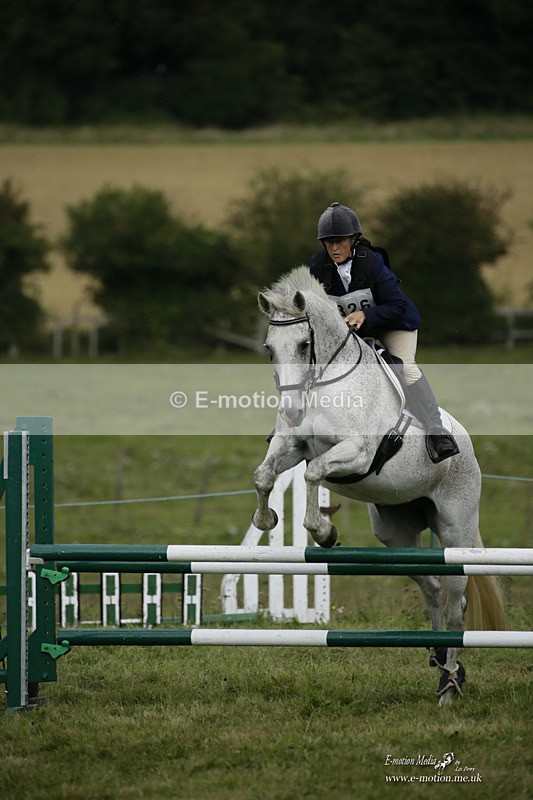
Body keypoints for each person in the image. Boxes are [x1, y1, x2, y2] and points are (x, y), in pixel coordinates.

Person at [309, 202, 459, 463]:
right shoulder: (318, 266)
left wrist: (366, 315)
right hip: (352, 331)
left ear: (354, 240)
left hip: (393, 323)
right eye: (329, 242)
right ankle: (294, 426)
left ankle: (437, 431)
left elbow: (397, 305)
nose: (334, 248)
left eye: (340, 241)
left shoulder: (372, 263)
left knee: (405, 367)